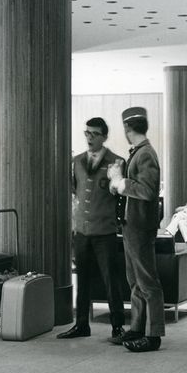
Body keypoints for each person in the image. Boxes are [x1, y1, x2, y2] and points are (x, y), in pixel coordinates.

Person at [58, 118, 127, 341]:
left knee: (111, 279)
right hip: (82, 230)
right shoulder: (76, 161)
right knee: (83, 279)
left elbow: (121, 197)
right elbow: (75, 192)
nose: (89, 138)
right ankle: (81, 325)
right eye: (87, 133)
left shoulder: (116, 162)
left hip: (104, 230)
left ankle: (117, 326)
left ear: (104, 136)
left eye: (94, 134)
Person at [107, 107, 164, 353]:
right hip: (132, 224)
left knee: (147, 281)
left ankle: (153, 335)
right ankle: (137, 328)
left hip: (140, 225)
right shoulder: (139, 153)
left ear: (128, 129)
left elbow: (148, 191)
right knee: (135, 281)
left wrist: (121, 182)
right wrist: (117, 184)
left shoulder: (145, 154)